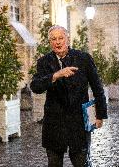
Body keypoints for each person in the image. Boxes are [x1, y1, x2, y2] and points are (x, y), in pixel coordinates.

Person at [30, 25, 108, 167]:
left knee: (82, 163)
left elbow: (98, 88)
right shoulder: (44, 62)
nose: (58, 42)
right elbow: (35, 87)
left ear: (68, 39)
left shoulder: (83, 58)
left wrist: (100, 115)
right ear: (49, 42)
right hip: (54, 123)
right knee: (54, 163)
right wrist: (56, 75)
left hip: (79, 121)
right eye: (53, 39)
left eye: (61, 38)